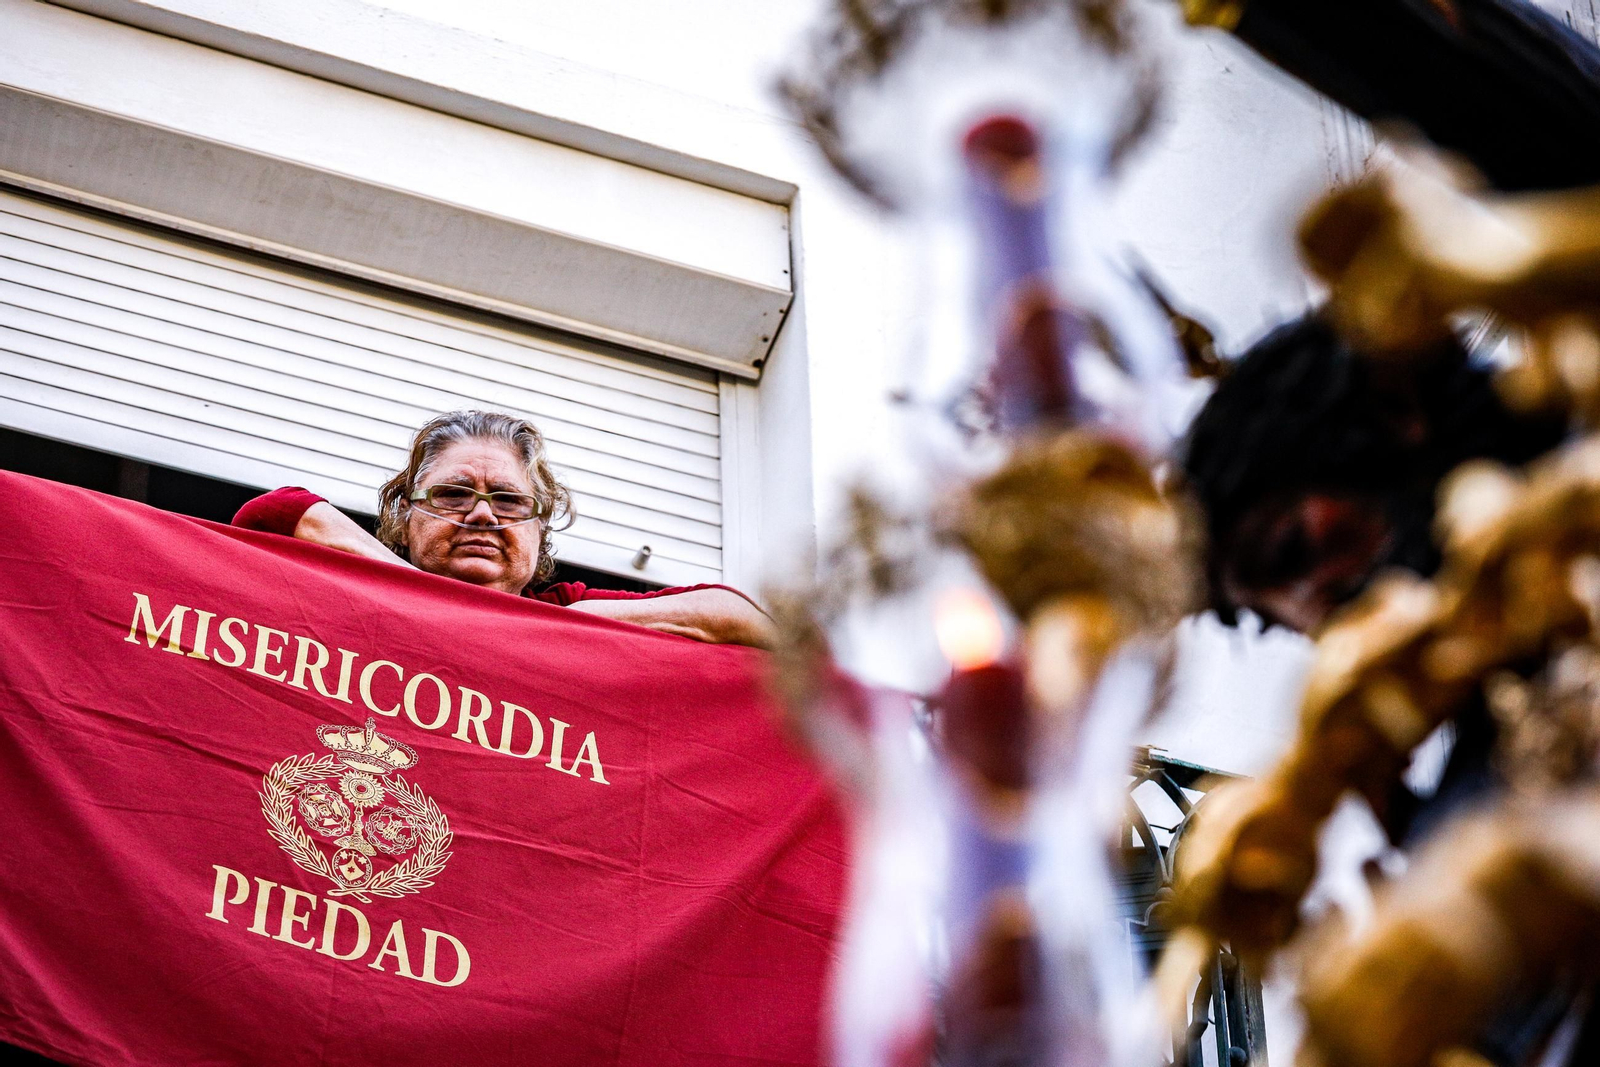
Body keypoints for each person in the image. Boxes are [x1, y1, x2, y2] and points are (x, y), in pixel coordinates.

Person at [232, 410, 776, 649]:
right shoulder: (352, 580)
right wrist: (417, 596)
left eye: (510, 501)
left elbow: (745, 622)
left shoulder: (562, 602)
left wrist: (551, 624)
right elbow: (271, 512)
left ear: (541, 529)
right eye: (452, 493)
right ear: (404, 514)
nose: (483, 515)